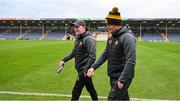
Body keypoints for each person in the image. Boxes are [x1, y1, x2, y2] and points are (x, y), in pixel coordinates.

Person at [87, 7, 136, 100]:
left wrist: (122, 80)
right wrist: (93, 67)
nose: (107, 27)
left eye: (109, 24)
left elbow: (131, 60)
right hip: (113, 75)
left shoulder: (127, 37)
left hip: (122, 77)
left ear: (116, 24)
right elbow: (106, 54)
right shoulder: (111, 37)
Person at [59, 20, 98, 101]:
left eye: (77, 27)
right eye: (74, 27)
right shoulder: (78, 39)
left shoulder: (89, 39)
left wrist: (85, 70)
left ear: (83, 27)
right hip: (81, 69)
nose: (75, 29)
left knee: (76, 91)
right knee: (90, 89)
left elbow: (92, 57)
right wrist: (63, 60)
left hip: (84, 70)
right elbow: (74, 52)